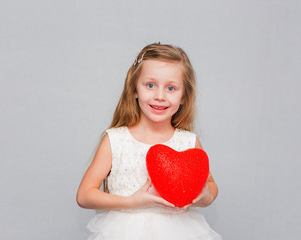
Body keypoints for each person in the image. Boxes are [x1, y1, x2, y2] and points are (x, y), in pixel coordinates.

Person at [76, 43, 222, 240]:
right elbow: (84, 195)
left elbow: (210, 186)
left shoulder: (188, 142)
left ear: (184, 97)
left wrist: (205, 197)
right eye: (150, 85)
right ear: (135, 89)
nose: (159, 96)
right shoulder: (116, 140)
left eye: (171, 88)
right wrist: (132, 202)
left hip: (179, 232)